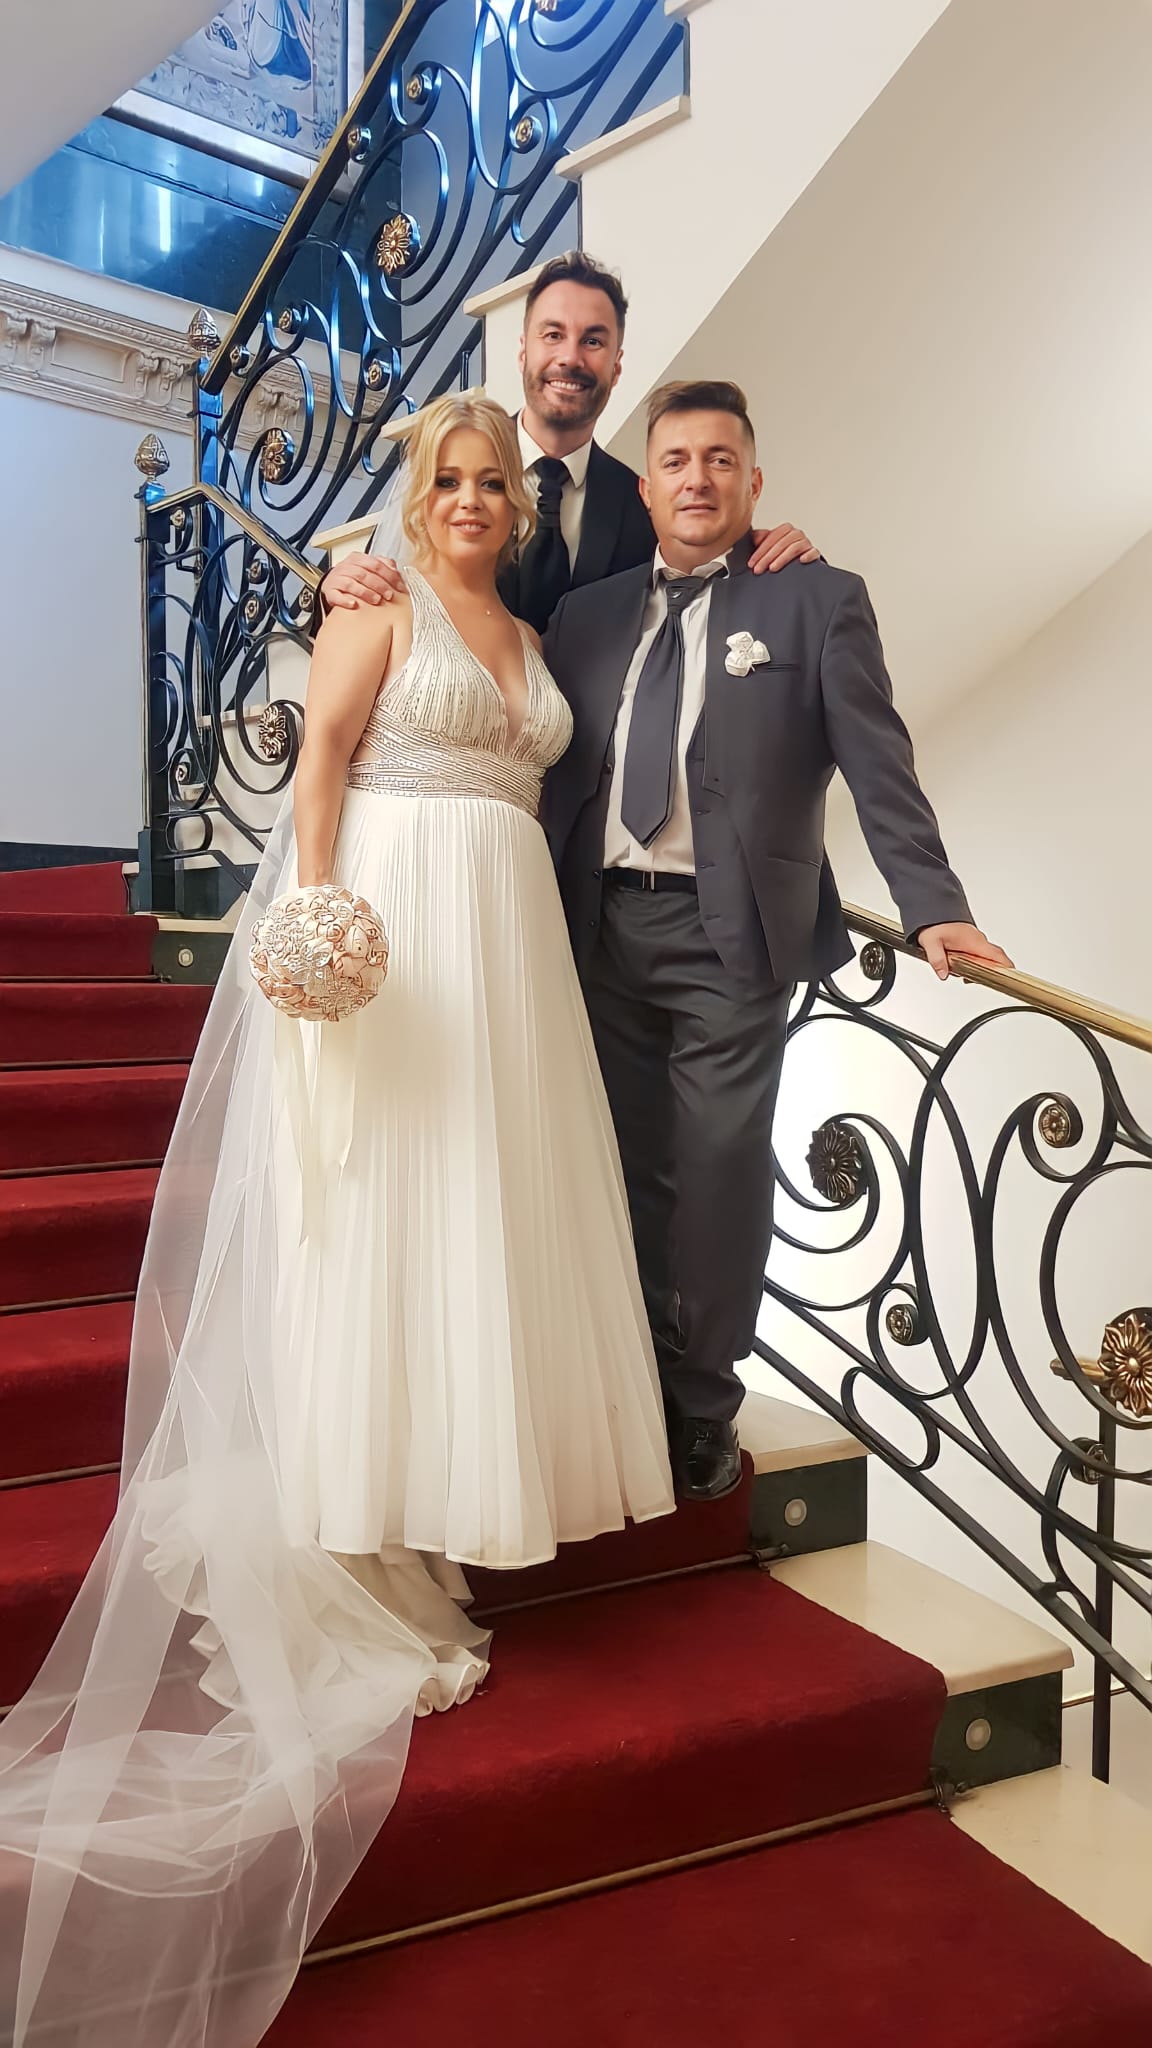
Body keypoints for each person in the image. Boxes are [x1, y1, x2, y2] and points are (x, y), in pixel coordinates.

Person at [0, 394, 674, 2048]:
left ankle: (443, 1484)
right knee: (381, 1204)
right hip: (396, 922)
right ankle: (363, 1512)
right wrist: (315, 916)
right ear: (417, 493)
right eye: (450, 477)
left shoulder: (533, 638)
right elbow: (318, 764)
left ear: (518, 502)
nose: (471, 499)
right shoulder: (373, 597)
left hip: (507, 947)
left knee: (483, 1212)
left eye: (493, 482)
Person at [542, 379, 1013, 1504]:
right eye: (675, 460)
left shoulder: (815, 599)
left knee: (719, 1163)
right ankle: (631, 1374)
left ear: (753, 482)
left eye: (720, 459)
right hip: (593, 926)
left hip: (733, 934)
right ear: (645, 487)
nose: (697, 479)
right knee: (618, 1165)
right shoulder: (586, 614)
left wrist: (931, 900)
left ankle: (703, 1401)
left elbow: (878, 761)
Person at [321, 250, 821, 632]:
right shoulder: (446, 472)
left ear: (617, 366)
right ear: (523, 351)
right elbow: (371, 596)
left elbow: (709, 571)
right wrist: (332, 590)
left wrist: (774, 550)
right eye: (553, 335)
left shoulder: (643, 504)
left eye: (593, 341)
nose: (570, 358)